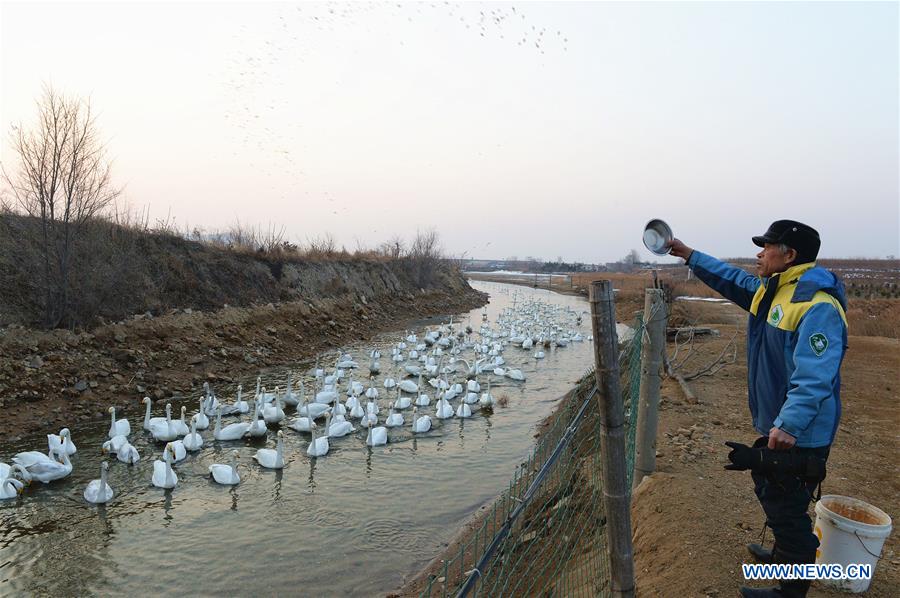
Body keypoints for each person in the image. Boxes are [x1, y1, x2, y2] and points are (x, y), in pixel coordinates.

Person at [667, 220, 847, 598]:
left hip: (802, 430)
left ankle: (789, 590)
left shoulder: (817, 305)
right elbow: (731, 278)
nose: (759, 254)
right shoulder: (772, 292)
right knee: (776, 490)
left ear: (789, 254)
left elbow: (815, 377)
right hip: (780, 421)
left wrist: (789, 424)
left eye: (767, 247)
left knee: (787, 506)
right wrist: (689, 254)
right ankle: (782, 555)